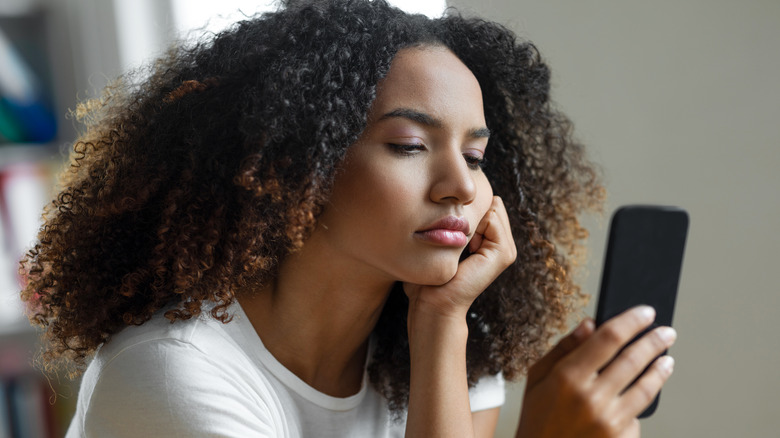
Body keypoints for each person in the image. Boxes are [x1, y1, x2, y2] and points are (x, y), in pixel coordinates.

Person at [21, 0, 676, 436]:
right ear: (294, 163)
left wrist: (442, 323)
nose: (459, 186)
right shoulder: (173, 378)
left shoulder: (444, 337)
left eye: (475, 156)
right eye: (409, 146)